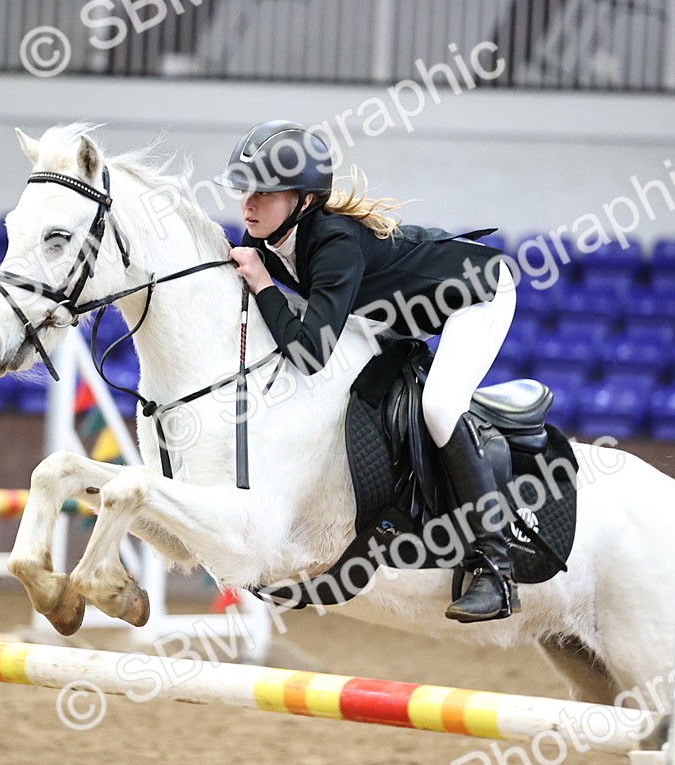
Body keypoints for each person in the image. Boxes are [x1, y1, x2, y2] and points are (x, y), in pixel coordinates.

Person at [212, 120, 519, 623]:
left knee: (439, 407)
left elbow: (310, 353)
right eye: (247, 189)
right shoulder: (271, 234)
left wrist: (265, 285)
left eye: (265, 193)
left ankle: (496, 568)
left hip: (477, 293)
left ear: (304, 201)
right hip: (391, 316)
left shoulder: (334, 243)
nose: (248, 204)